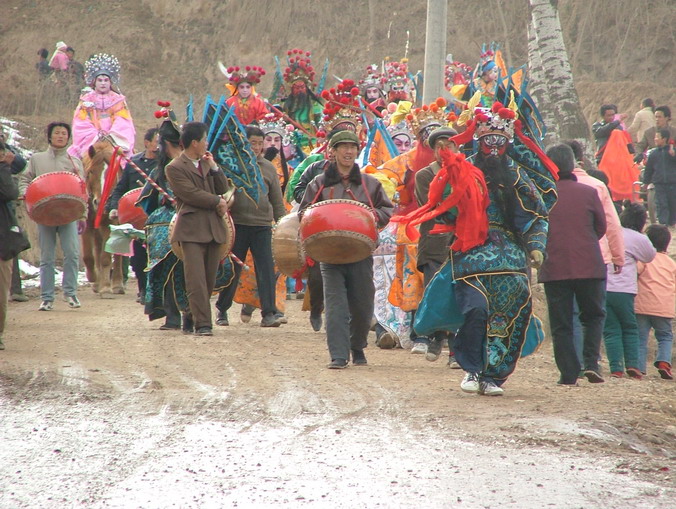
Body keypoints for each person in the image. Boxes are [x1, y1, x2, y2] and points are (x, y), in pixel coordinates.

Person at [299, 130, 393, 368]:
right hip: (328, 254)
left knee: (363, 306)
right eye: (343, 147)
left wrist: (373, 216)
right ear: (333, 151)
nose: (349, 151)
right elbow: (303, 213)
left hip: (361, 253)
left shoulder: (369, 184)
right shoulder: (319, 184)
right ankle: (338, 356)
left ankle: (357, 345)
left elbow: (386, 211)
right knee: (335, 306)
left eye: (353, 147)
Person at [538, 144, 607, 385]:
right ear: (573, 164)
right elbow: (601, 228)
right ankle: (591, 363)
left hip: (554, 267)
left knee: (562, 324)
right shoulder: (588, 192)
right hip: (589, 264)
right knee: (594, 316)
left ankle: (568, 374)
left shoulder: (542, 195)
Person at [215, 126, 286, 328]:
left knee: (265, 269)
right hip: (237, 225)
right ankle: (222, 308)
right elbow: (223, 193)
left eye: (258, 143)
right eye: (251, 142)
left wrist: (283, 225)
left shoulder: (269, 168)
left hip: (262, 226)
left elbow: (277, 201)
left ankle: (269, 313)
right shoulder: (232, 165)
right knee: (233, 270)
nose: (255, 147)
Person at [165, 122, 231, 336]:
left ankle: (192, 314)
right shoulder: (174, 168)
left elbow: (223, 188)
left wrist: (214, 168)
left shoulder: (205, 163)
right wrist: (216, 201)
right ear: (195, 142)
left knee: (209, 279)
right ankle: (204, 324)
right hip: (191, 229)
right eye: (204, 140)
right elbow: (189, 194)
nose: (206, 144)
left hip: (213, 228)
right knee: (196, 279)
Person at [19, 122, 84, 311]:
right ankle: (47, 297)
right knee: (46, 256)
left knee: (72, 254)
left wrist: (83, 214)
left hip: (68, 213)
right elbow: (25, 179)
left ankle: (70, 293)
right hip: (44, 213)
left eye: (64, 133)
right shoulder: (37, 159)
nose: (60, 136)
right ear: (50, 136)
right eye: (57, 133)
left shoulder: (74, 161)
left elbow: (82, 190)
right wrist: (27, 194)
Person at [137, 109, 189, 331]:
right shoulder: (160, 170)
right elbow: (149, 198)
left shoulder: (191, 164)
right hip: (163, 227)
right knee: (164, 269)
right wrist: (164, 200)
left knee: (188, 271)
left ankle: (191, 314)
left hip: (189, 221)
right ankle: (171, 315)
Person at [415, 127, 459, 367]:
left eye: (449, 145)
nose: (445, 151)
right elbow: (433, 207)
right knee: (436, 291)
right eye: (440, 146)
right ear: (433, 151)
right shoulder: (424, 176)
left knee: (458, 293)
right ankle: (436, 336)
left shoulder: (467, 172)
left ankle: (453, 349)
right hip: (433, 244)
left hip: (462, 243)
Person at [106, 127, 159, 303]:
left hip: (156, 217)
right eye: (156, 141)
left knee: (157, 255)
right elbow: (120, 189)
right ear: (147, 142)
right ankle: (143, 290)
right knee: (138, 258)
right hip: (136, 219)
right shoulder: (134, 163)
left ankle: (156, 290)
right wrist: (114, 207)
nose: (158, 145)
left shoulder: (164, 164)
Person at [603, 202, 656, 379]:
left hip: (603, 287)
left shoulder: (610, 233)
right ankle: (633, 365)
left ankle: (616, 368)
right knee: (630, 327)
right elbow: (650, 256)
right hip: (624, 289)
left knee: (611, 329)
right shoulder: (638, 238)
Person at [69, 53, 136, 159]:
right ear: (94, 82)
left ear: (110, 82)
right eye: (100, 80)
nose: (103, 83)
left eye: (106, 80)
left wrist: (111, 136)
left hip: (114, 142)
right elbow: (81, 122)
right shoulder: (86, 101)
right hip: (91, 142)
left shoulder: (118, 100)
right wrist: (95, 136)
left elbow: (123, 121)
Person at [635, 224, 675, 380]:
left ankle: (639, 368)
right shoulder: (672, 264)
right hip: (664, 307)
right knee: (665, 336)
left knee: (640, 338)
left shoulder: (644, 260)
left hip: (642, 306)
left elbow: (635, 273)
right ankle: (664, 362)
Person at [0, 128, 29, 303]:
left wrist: (6, 161)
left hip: (6, 208)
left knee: (11, 247)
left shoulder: (9, 151)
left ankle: (16, 289)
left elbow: (22, 165)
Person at [0, 140, 20, 350]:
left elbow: (9, 193)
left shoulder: (3, 173)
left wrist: (4, 167)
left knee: (1, 289)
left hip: (3, 238)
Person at [642, 128, 676, 227]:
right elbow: (649, 169)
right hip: (659, 183)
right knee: (661, 204)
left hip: (672, 182)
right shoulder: (653, 154)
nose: (655, 139)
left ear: (664, 139)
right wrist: (646, 182)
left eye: (657, 137)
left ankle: (672, 222)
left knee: (672, 203)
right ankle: (663, 223)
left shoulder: (672, 152)